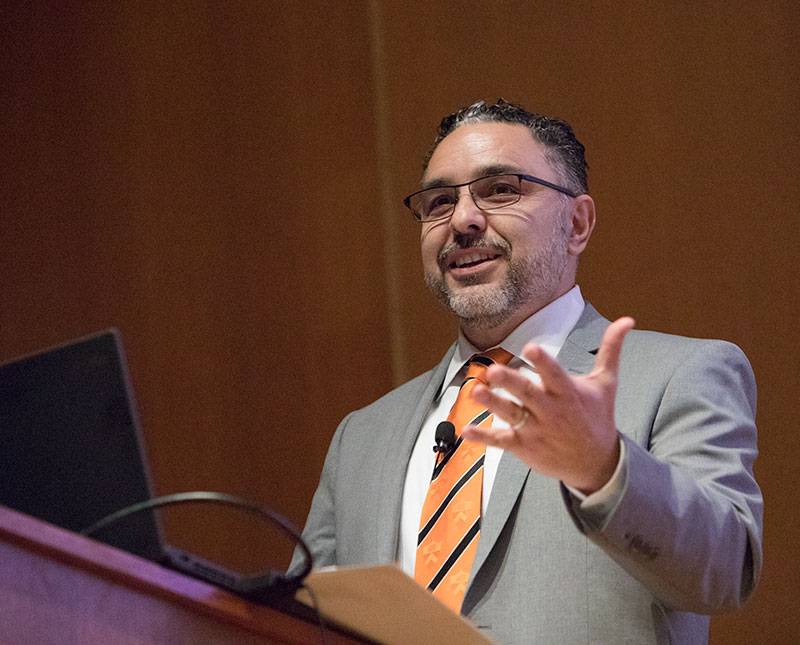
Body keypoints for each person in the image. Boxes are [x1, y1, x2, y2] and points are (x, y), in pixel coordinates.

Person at [290, 99, 762, 644]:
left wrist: (604, 470)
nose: (462, 220)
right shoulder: (361, 436)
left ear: (576, 224)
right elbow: (300, 621)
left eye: (500, 190)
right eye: (440, 202)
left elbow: (726, 573)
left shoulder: (679, 374)